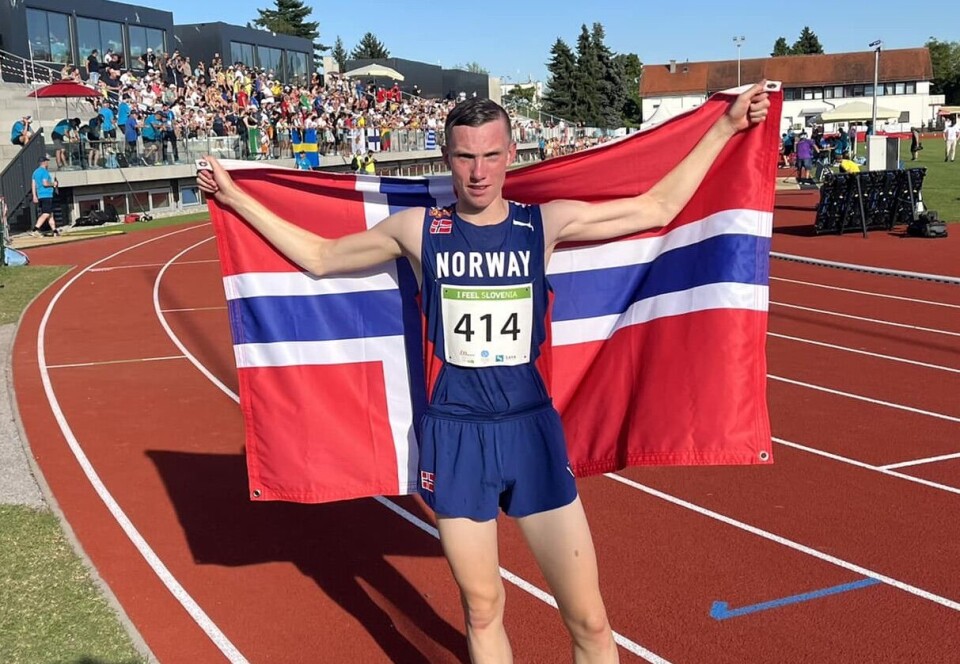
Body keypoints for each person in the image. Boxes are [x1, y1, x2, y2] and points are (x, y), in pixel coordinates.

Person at [198, 83, 770, 664]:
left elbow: (656, 209)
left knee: (591, 621)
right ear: (447, 159)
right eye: (466, 156)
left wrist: (724, 128)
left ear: (511, 153)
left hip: (530, 432)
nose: (478, 171)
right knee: (482, 608)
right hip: (455, 433)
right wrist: (235, 198)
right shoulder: (418, 231)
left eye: (491, 154)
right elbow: (320, 258)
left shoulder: (544, 224)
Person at [31, 155, 59, 237]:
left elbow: (33, 184)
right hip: (47, 194)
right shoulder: (44, 172)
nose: (48, 163)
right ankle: (35, 229)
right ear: (44, 162)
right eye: (47, 161)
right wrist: (53, 184)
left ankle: (55, 231)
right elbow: (45, 183)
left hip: (40, 195)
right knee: (46, 213)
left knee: (50, 214)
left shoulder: (35, 172)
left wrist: (34, 195)